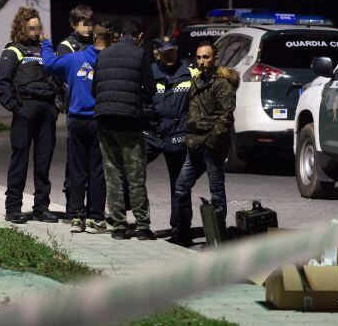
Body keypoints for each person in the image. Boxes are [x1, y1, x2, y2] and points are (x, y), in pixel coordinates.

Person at [41, 22, 114, 234]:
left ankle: (76, 217)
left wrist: (45, 43)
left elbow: (49, 64)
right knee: (97, 171)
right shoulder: (110, 61)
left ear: (93, 38)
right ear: (111, 39)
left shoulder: (75, 59)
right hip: (99, 121)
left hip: (76, 122)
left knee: (77, 171)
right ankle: (95, 218)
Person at [92, 20, 157, 240]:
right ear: (138, 36)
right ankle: (142, 226)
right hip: (130, 123)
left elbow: (95, 89)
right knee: (135, 175)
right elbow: (150, 89)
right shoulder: (139, 54)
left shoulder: (103, 55)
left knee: (113, 176)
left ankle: (119, 226)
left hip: (105, 121)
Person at [0, 7, 58, 224]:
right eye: (31, 28)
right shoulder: (13, 51)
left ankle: (41, 208)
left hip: (47, 112)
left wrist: (57, 106)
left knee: (43, 162)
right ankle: (13, 208)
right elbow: (1, 83)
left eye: (38, 27)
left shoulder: (45, 50)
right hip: (25, 111)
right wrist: (15, 107)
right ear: (22, 27)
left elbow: (58, 78)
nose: (35, 31)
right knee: (19, 161)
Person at [171, 41, 239, 246]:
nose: (202, 61)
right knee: (181, 187)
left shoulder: (222, 83)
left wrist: (212, 140)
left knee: (216, 190)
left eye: (206, 57)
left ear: (215, 58)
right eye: (199, 57)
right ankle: (182, 233)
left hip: (212, 146)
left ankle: (217, 236)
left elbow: (226, 116)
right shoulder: (197, 80)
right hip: (194, 145)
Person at [144, 38, 198, 235]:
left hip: (178, 134)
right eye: (165, 53)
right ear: (157, 53)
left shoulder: (189, 72)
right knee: (132, 174)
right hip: (153, 133)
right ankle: (137, 222)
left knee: (179, 183)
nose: (170, 56)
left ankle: (181, 227)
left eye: (173, 51)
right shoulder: (148, 72)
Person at [56, 5, 94, 215]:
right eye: (83, 23)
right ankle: (74, 205)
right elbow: (61, 77)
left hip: (94, 108)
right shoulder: (66, 46)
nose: (88, 28)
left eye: (90, 23)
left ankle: (92, 208)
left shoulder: (93, 43)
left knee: (93, 162)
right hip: (75, 107)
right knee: (76, 161)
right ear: (73, 24)